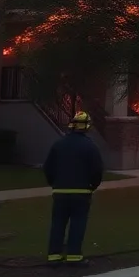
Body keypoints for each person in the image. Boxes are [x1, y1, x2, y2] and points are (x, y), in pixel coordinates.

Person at [43, 111, 105, 267]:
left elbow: (47, 167)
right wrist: (92, 186)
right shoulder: (90, 147)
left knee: (58, 223)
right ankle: (73, 256)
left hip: (60, 193)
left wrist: (55, 184)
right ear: (87, 127)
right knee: (78, 223)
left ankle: (54, 256)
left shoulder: (58, 144)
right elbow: (97, 170)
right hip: (82, 193)